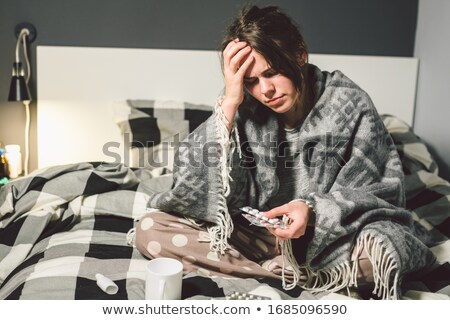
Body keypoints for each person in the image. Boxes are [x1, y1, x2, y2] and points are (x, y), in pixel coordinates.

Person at [135, 5, 435, 299]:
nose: (266, 90)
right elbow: (191, 188)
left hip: (327, 239)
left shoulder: (350, 102)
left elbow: (380, 191)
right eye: (251, 81)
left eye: (273, 72)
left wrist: (313, 210)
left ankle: (280, 272)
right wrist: (229, 102)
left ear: (300, 55)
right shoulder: (241, 106)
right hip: (257, 237)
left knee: (384, 254)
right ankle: (283, 276)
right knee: (150, 230)